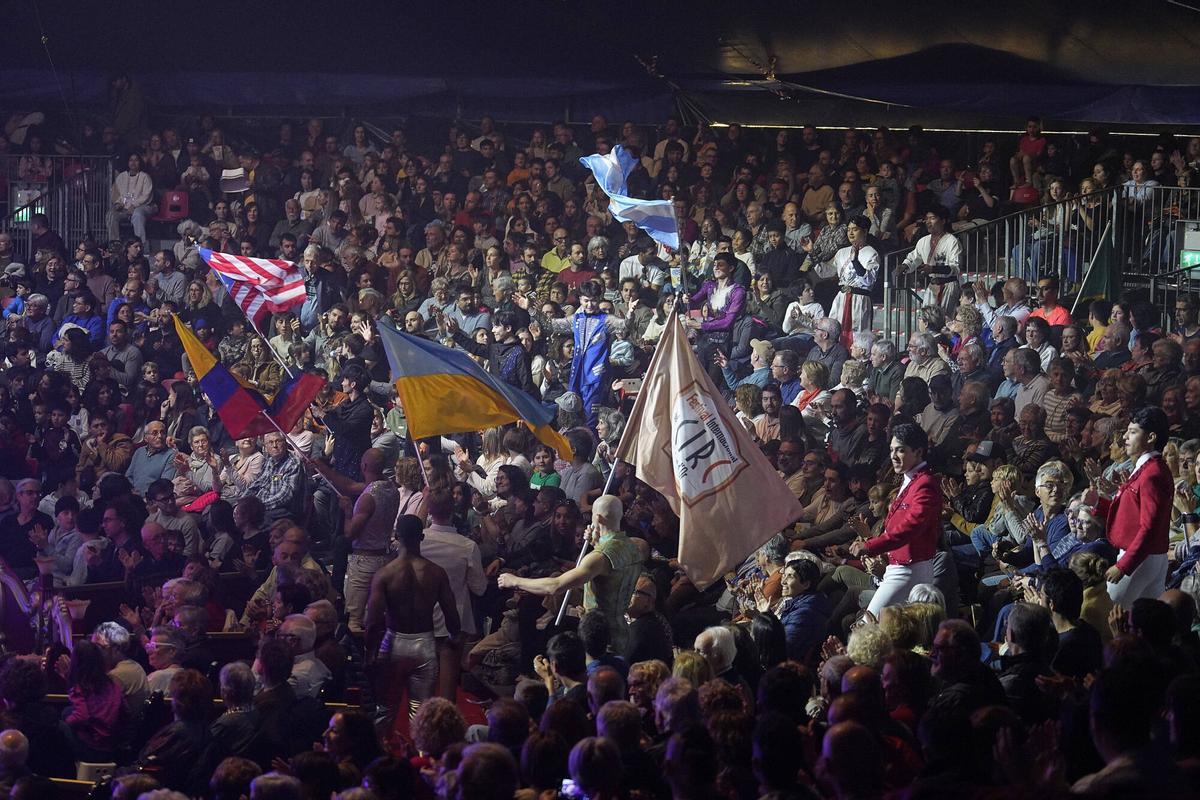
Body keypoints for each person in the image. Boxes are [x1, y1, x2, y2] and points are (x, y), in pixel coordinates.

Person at [499, 494, 642, 654]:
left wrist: (515, 581)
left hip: (598, 636)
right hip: (620, 630)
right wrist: (597, 542)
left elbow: (555, 586)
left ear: (598, 518)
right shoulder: (633, 547)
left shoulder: (599, 557)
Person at [364, 514, 461, 728]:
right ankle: (422, 757)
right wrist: (454, 637)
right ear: (422, 537)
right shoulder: (436, 573)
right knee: (421, 712)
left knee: (385, 709)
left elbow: (372, 620)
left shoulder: (385, 574)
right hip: (424, 643)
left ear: (397, 536)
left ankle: (383, 757)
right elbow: (451, 613)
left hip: (393, 641)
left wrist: (369, 651)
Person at [850, 424, 942, 618]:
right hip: (901, 565)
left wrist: (870, 545)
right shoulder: (910, 479)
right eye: (892, 450)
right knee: (892, 632)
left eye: (900, 450)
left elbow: (911, 527)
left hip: (908, 568)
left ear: (918, 452)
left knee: (869, 626)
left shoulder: (925, 484)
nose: (893, 455)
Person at [1086, 406, 1173, 604]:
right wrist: (1098, 503)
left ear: (1151, 437)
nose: (1125, 437)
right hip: (1149, 557)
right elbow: (1130, 515)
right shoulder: (1150, 469)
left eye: (1133, 432)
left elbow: (1149, 526)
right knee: (1143, 622)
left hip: (1140, 559)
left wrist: (1124, 565)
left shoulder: (1151, 474)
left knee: (1110, 613)